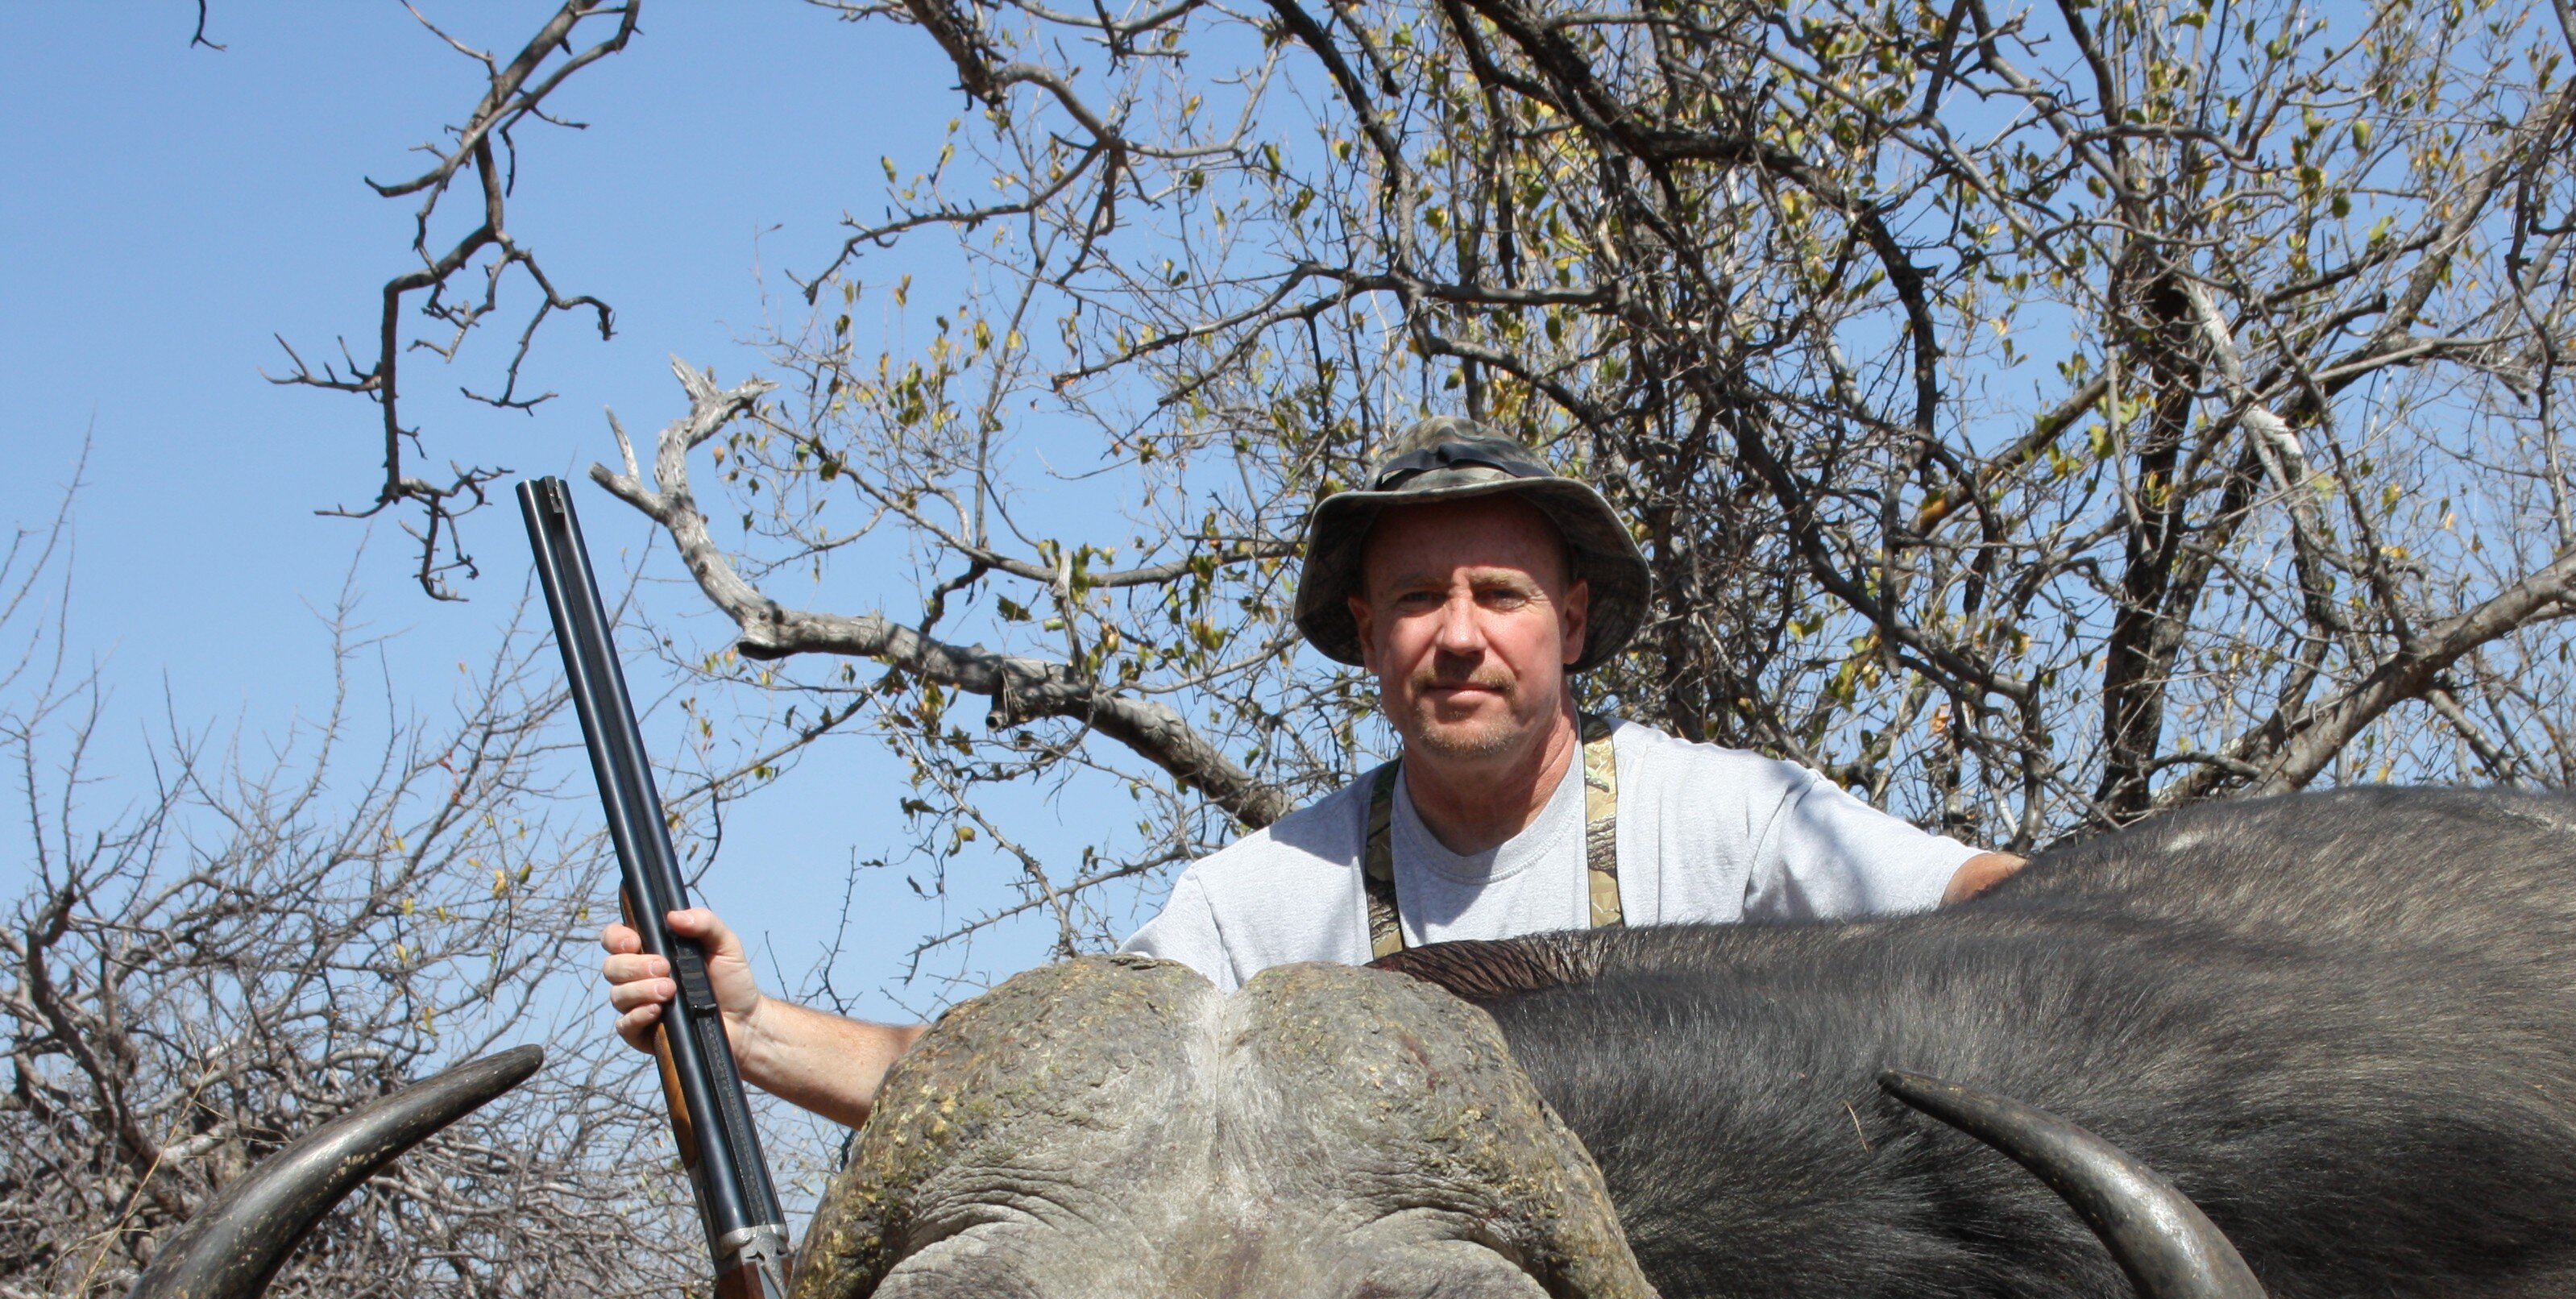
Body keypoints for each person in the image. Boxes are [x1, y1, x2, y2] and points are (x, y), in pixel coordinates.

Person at [603, 418, 2022, 1124]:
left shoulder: (1729, 818)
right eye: (1416, 600)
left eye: (1500, 593)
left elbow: (2007, 915)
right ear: (1365, 635)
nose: (1459, 636)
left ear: (1572, 622)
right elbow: (1050, 1087)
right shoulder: (1257, 903)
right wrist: (750, 1032)